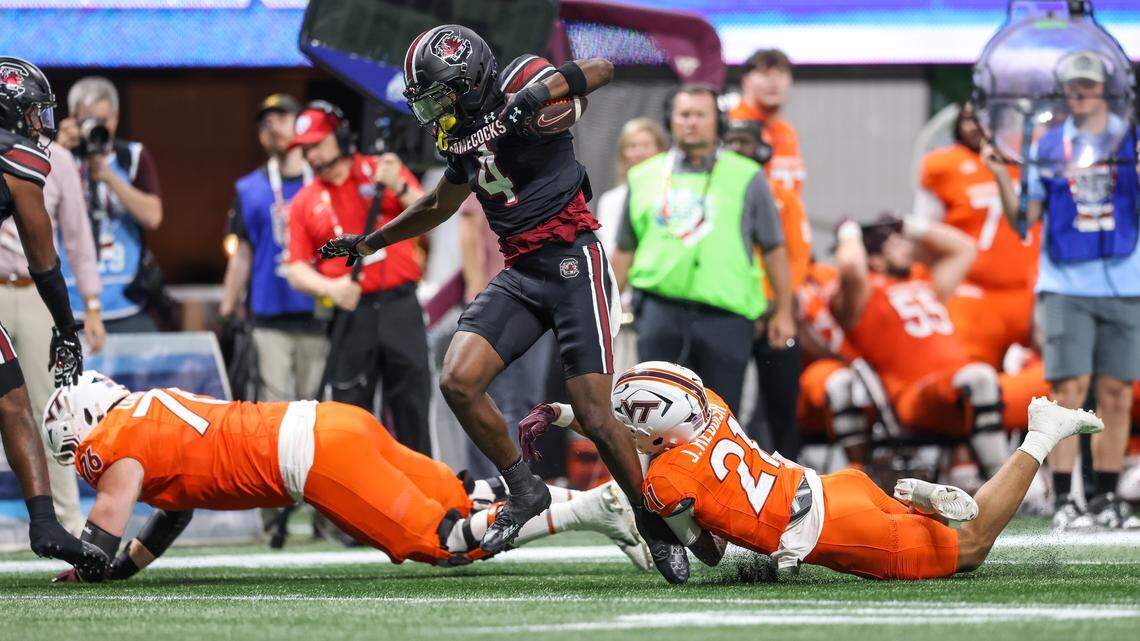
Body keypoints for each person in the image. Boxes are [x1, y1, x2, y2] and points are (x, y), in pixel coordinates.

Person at [317, 24, 689, 582]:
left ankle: (650, 518)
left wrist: (534, 98)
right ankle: (524, 487)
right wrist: (370, 241)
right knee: (458, 379)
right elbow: (441, 204)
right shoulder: (461, 132)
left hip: (572, 261)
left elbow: (601, 71)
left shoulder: (522, 80)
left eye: (440, 94)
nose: (435, 109)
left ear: (470, 82)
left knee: (593, 410)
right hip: (522, 270)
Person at [42, 371, 651, 582]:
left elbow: (99, 542)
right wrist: (128, 566)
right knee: (458, 499)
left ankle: (590, 511)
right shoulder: (145, 412)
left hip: (311, 460)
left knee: (445, 541)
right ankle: (611, 505)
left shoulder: (113, 441)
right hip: (331, 422)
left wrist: (84, 563)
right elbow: (175, 507)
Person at [520, 361, 1104, 581]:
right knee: (938, 532)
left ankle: (1042, 431)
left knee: (970, 547)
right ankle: (920, 503)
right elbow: (651, 428)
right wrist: (572, 414)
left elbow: (709, 557)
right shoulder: (713, 407)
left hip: (827, 530)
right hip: (832, 487)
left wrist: (674, 525)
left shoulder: (668, 478)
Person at [986, 50, 1140, 530]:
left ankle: (1106, 498)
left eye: (1088, 85)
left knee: (1116, 392)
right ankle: (1064, 500)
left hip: (1125, 279)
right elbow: (1024, 221)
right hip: (1066, 282)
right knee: (1067, 392)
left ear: (1105, 89)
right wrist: (999, 173)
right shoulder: (1049, 145)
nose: (1080, 93)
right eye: (1073, 85)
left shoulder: (1131, 139)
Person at [612, 84, 794, 415]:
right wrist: (606, 310)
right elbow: (624, 249)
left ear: (718, 122)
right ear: (670, 120)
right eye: (683, 115)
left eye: (700, 115)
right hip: (658, 312)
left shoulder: (748, 176)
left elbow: (773, 248)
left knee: (721, 418)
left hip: (726, 318)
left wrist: (783, 311)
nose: (691, 122)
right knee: (657, 421)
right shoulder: (643, 176)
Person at [285, 101, 433, 455]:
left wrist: (398, 185)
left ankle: (431, 501)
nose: (311, 155)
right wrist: (331, 289)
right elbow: (295, 268)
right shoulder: (305, 201)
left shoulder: (379, 171)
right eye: (305, 149)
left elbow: (431, 213)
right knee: (352, 413)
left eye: (317, 144)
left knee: (412, 406)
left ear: (340, 137)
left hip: (400, 306)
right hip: (353, 314)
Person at [830, 216, 1013, 478]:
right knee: (980, 377)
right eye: (895, 245)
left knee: (1038, 388)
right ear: (875, 259)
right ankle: (1009, 485)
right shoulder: (862, 296)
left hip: (956, 387)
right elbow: (849, 267)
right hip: (915, 395)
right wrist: (849, 233)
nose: (907, 247)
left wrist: (907, 224)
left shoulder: (923, 283)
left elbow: (965, 248)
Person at [0, 55, 92, 566]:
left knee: (11, 396)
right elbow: (44, 260)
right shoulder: (17, 161)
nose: (40, 124)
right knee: (15, 401)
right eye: (33, 112)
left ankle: (44, 522)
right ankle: (45, 523)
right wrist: (66, 326)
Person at [914, 102, 1038, 369]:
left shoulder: (1030, 159)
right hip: (971, 292)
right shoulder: (944, 165)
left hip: (1026, 292)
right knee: (969, 371)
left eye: (980, 118)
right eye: (967, 119)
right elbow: (925, 233)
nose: (974, 127)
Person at [220, 94, 326, 403]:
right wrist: (227, 309)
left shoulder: (323, 181)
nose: (273, 127)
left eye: (282, 118)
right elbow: (242, 254)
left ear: (301, 124)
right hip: (268, 319)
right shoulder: (249, 188)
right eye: (265, 123)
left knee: (318, 414)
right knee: (273, 415)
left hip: (320, 315)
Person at [723, 117, 810, 457]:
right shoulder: (717, 188)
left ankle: (792, 475)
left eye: (745, 141)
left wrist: (779, 308)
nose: (737, 148)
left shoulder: (783, 196)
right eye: (731, 140)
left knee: (781, 404)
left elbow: (796, 254)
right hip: (734, 308)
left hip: (771, 310)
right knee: (729, 401)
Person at [56, 76, 163, 332]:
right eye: (87, 120)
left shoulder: (132, 156)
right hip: (68, 303)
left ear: (116, 118)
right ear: (72, 118)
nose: (97, 127)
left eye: (103, 120)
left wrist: (108, 177)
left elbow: (153, 217)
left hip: (127, 301)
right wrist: (56, 150)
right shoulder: (57, 157)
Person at [729, 48, 805, 197]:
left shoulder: (786, 131)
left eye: (780, 74)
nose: (773, 82)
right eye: (764, 74)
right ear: (745, 81)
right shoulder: (732, 126)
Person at [594, 118, 667, 253]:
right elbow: (609, 248)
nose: (639, 153)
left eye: (646, 145)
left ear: (660, 149)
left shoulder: (672, 193)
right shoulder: (610, 200)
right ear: (623, 153)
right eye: (632, 146)